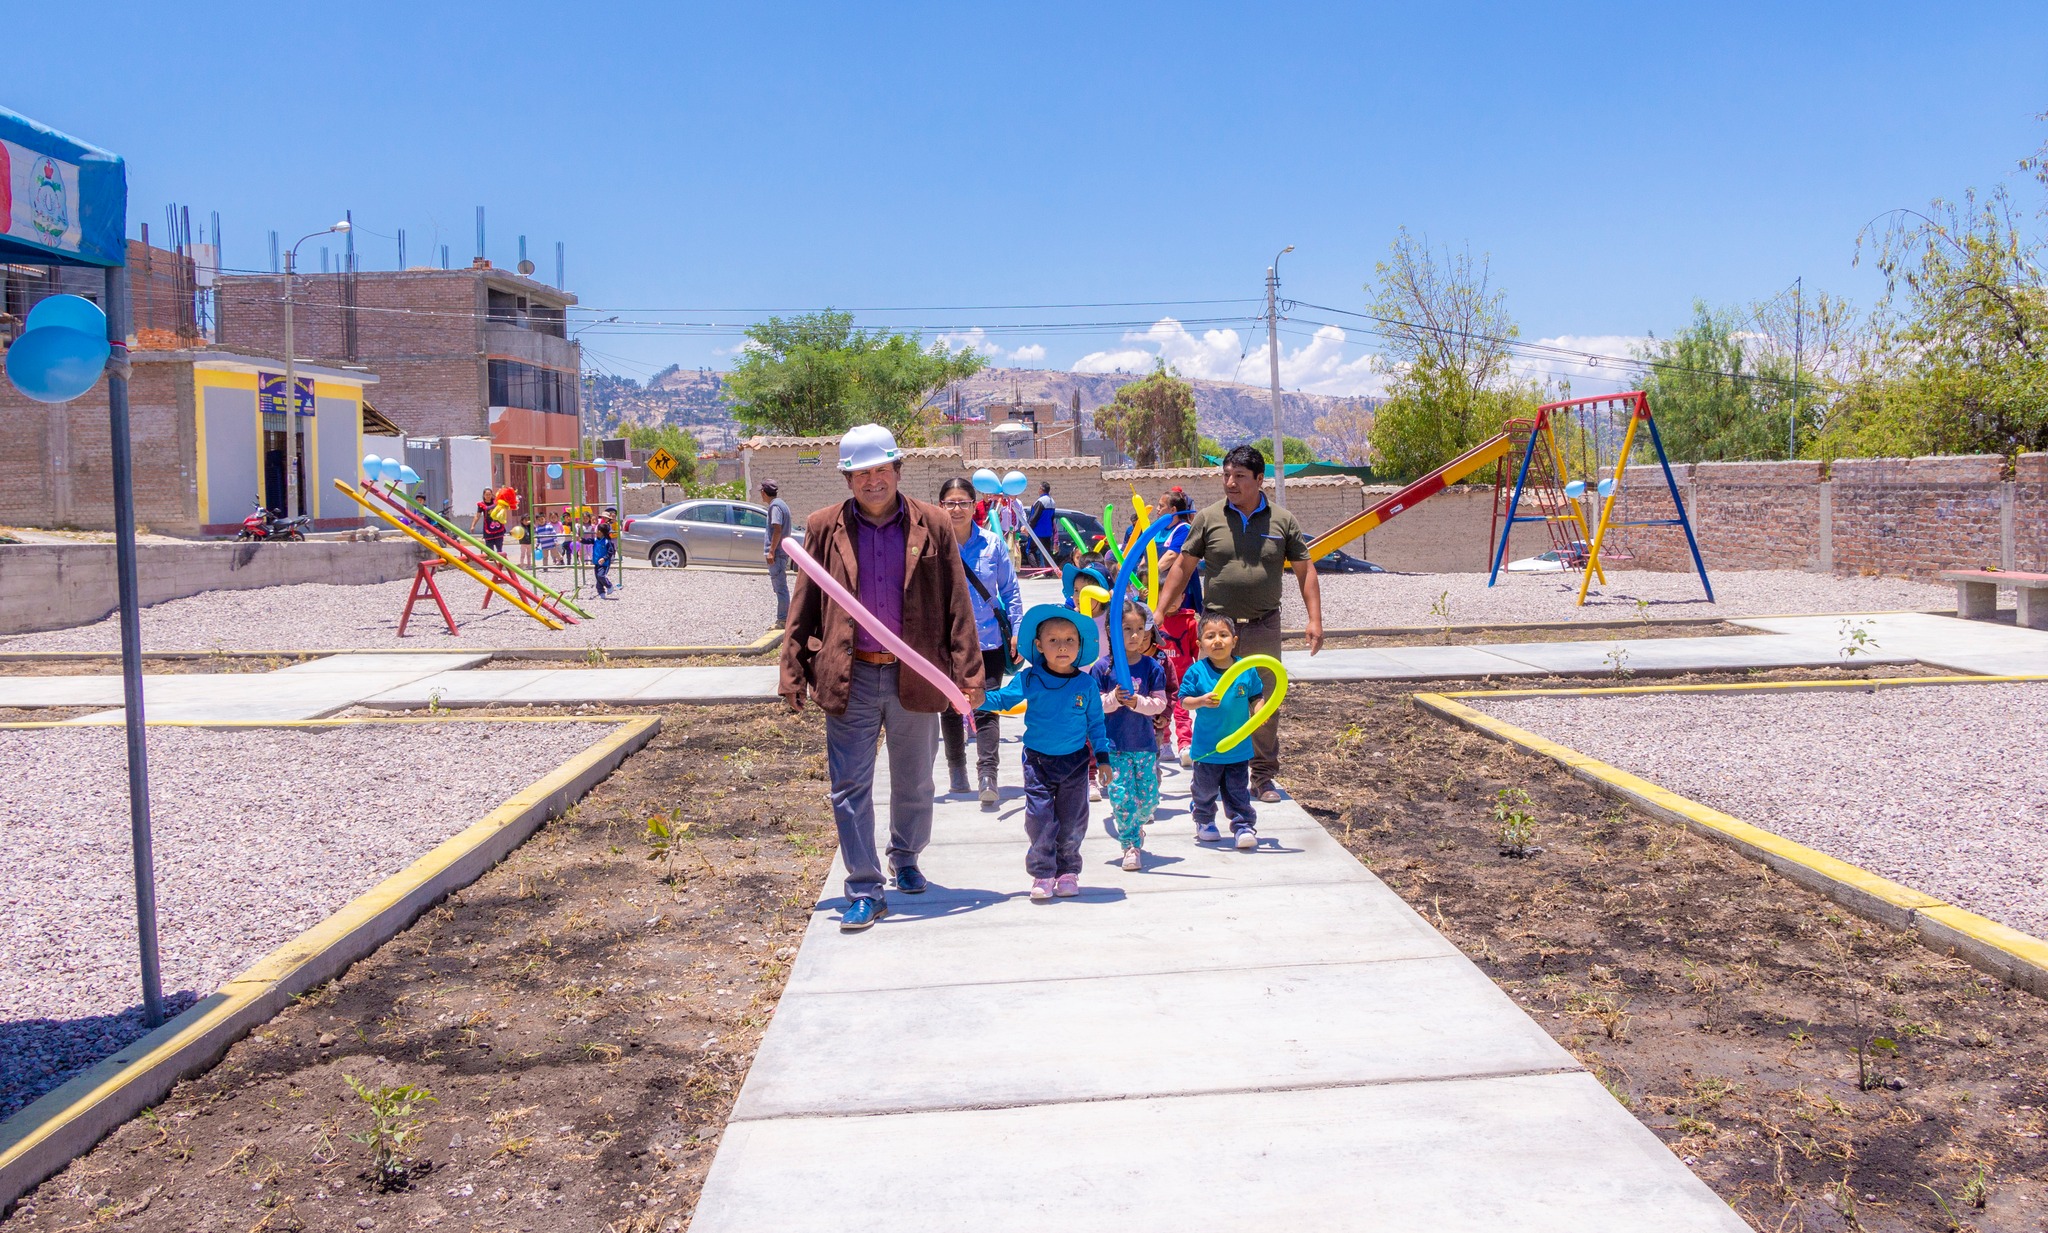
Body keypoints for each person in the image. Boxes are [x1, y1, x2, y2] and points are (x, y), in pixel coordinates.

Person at [779, 424, 985, 933]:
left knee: (915, 780)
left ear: (897, 470)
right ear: (848, 479)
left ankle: (906, 857)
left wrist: (968, 672)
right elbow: (805, 601)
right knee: (850, 786)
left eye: (881, 470)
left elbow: (957, 602)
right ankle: (865, 887)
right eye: (861, 473)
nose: (873, 481)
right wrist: (792, 672)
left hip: (915, 674)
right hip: (851, 676)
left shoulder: (932, 524)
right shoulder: (824, 526)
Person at [1158, 444, 1324, 803]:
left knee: (1263, 699)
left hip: (1263, 626)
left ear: (1259, 479)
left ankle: (1262, 776)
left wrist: (1315, 620)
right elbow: (1183, 567)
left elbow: (1305, 570)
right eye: (1226, 475)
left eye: (1239, 476)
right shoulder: (1208, 518)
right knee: (1213, 699)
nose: (1230, 483)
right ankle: (1208, 769)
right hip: (1217, 626)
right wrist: (1159, 610)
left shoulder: (1283, 521)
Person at [981, 605, 1112, 902]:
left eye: (1069, 640)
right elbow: (1003, 699)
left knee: (1072, 821)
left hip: (1075, 762)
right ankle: (1043, 872)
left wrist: (1102, 759)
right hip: (1038, 762)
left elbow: (1096, 724)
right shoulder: (1030, 679)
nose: (1062, 646)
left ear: (1080, 646)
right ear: (1039, 646)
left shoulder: (1086, 684)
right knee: (1039, 818)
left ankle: (1067, 872)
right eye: (1053, 640)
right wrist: (978, 699)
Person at [936, 476, 1022, 806]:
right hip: (948, 644)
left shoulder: (992, 544)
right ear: (941, 506)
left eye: (963, 502)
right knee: (949, 706)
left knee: (986, 706)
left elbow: (1010, 589)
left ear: (975, 506)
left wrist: (1016, 628)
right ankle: (957, 770)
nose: (957, 509)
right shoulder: (934, 545)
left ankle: (988, 774)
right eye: (950, 503)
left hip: (989, 642)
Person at [1092, 600, 1169, 872]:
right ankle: (1130, 846)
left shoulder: (1151, 667)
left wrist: (1138, 703)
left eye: (1139, 628)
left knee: (1149, 802)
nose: (1134, 635)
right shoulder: (1102, 668)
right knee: (1122, 799)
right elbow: (1095, 705)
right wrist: (1113, 698)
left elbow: (1160, 703)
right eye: (1127, 628)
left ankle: (1136, 828)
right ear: (1112, 631)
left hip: (1145, 745)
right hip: (1114, 747)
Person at [1180, 612, 1264, 849]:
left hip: (1238, 748)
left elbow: (1256, 695)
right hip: (1207, 748)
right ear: (1200, 644)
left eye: (1223, 635)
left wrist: (1259, 710)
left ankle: (1242, 825)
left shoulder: (1245, 669)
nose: (1217, 640)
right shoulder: (1197, 672)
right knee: (1205, 789)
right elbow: (1184, 700)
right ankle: (1204, 819)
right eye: (1210, 636)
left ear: (1234, 640)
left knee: (1237, 790)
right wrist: (1201, 701)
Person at [1154, 489, 1200, 765]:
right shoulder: (1159, 530)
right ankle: (1165, 743)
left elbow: (1169, 559)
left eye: (1161, 506)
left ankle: (1186, 744)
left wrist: (1144, 574)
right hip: (1156, 594)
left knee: (1180, 700)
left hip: (1172, 592)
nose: (1158, 510)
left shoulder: (1183, 530)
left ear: (1174, 509)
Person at [761, 479, 794, 628]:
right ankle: (785, 618)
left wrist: (771, 551)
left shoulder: (775, 507)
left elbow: (777, 529)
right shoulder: (781, 504)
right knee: (780, 586)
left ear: (764, 492)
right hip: (781, 552)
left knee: (780, 587)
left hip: (778, 553)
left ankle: (783, 620)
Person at [592, 506, 619, 598]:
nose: (603, 518)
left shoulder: (607, 532)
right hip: (597, 560)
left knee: (601, 575)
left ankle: (609, 585)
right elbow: (590, 541)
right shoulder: (597, 537)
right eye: (602, 517)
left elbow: (610, 549)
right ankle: (601, 592)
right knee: (597, 577)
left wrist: (605, 558)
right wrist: (581, 540)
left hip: (604, 560)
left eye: (605, 517)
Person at [1028, 481, 1057, 567]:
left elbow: (1034, 517)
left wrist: (1028, 528)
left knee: (1030, 550)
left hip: (1037, 531)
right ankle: (1049, 572)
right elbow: (1052, 518)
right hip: (1047, 532)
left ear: (1041, 489)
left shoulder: (1040, 501)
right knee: (1046, 552)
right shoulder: (1052, 502)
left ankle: (1036, 571)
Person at [471, 487, 506, 553]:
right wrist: (473, 525)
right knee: (489, 549)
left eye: (489, 494)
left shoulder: (497, 502)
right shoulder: (481, 505)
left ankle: (501, 562)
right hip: (488, 528)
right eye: (486, 495)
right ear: (484, 495)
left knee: (499, 548)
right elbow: (477, 516)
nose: (488, 496)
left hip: (498, 527)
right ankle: (491, 561)